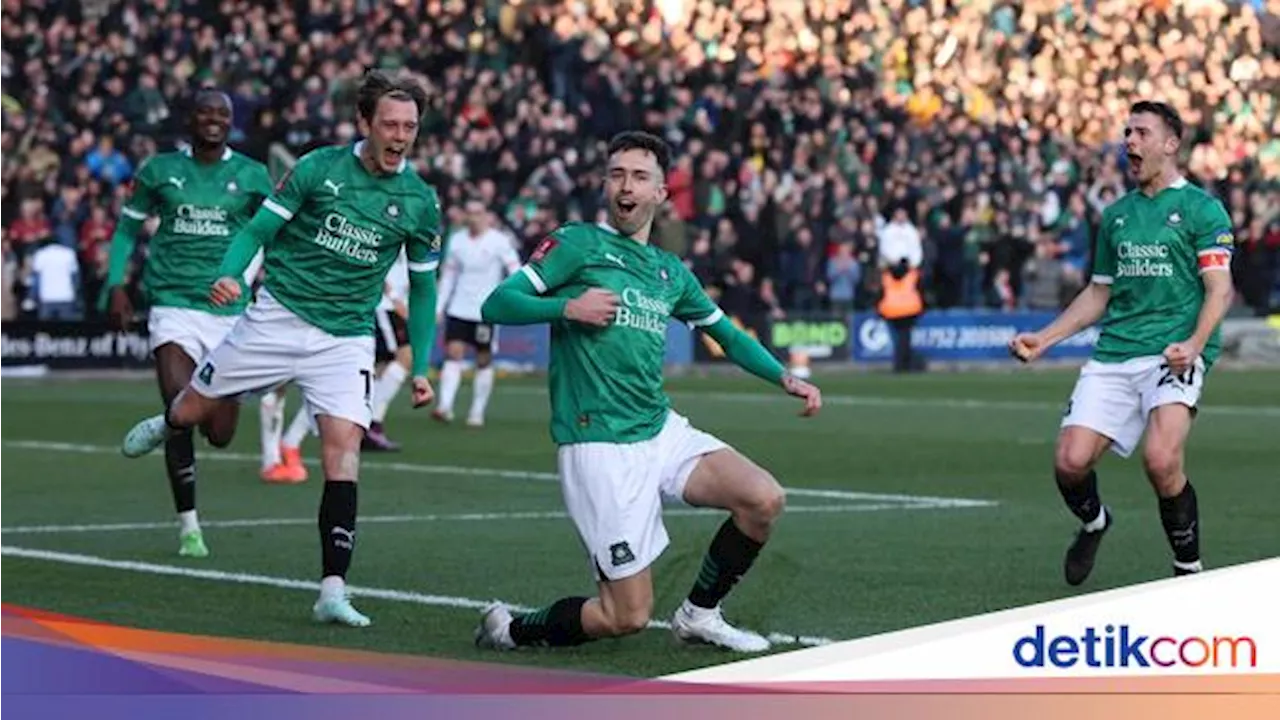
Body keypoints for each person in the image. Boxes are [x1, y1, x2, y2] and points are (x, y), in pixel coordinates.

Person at [473, 131, 822, 654]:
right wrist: (567, 308)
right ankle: (511, 629)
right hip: (600, 445)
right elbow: (498, 303)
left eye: (639, 177)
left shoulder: (669, 271)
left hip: (658, 429)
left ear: (661, 193)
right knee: (625, 616)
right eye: (616, 174)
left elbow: (724, 335)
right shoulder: (576, 244)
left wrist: (783, 377)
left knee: (762, 499)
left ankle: (699, 615)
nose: (625, 186)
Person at [118, 70, 444, 627]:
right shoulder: (318, 168)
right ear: (364, 122)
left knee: (344, 455)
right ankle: (169, 420)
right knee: (197, 412)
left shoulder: (419, 201)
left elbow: (424, 288)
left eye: (409, 126)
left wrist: (422, 364)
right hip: (276, 318)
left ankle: (332, 590)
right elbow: (255, 234)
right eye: (389, 124)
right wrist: (232, 276)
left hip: (345, 339)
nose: (400, 136)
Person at [1009, 101, 1235, 586]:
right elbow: (1098, 292)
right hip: (1116, 351)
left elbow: (1220, 288)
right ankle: (1094, 522)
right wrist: (1046, 338)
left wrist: (1196, 343)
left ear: (1170, 144)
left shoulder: (1201, 208)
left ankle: (1188, 569)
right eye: (1127, 131)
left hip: (1173, 352)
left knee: (1161, 460)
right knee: (1070, 462)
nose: (1129, 141)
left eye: (1141, 132)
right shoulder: (1115, 216)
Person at [101, 89, 273, 558]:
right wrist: (116, 284)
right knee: (179, 408)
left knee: (219, 433)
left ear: (230, 122)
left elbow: (276, 231)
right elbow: (126, 229)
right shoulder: (159, 170)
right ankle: (190, 528)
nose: (213, 120)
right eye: (205, 113)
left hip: (228, 314)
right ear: (190, 120)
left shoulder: (253, 175)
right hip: (172, 304)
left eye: (222, 114)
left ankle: (176, 421)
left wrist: (264, 279)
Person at [432, 198, 521, 427]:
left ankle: (477, 411)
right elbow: (449, 276)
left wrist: (512, 298)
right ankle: (445, 406)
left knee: (483, 359)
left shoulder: (499, 241)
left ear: (486, 215)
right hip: (459, 308)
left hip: (486, 311)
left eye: (478, 212)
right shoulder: (456, 240)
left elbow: (515, 270)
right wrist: (440, 306)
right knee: (454, 353)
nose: (474, 217)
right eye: (470, 212)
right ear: (465, 215)